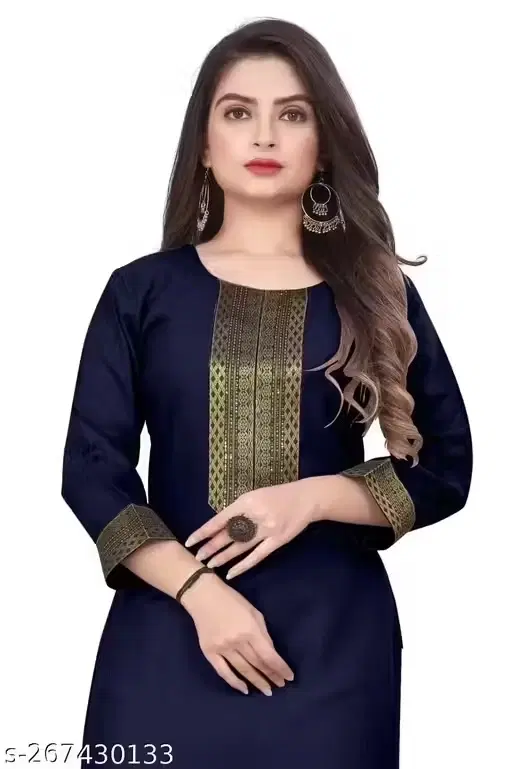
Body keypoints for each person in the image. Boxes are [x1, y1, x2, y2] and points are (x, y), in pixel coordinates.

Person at [61, 17, 473, 769]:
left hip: (333, 650)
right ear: (204, 143)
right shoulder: (140, 293)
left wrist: (311, 498)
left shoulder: (377, 293)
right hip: (166, 630)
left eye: (293, 114)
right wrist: (199, 591)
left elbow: (445, 467)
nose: (264, 135)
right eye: (237, 112)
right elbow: (91, 471)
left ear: (324, 143)